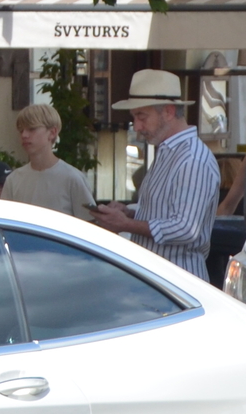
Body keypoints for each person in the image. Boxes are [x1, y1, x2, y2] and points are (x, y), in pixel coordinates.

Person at [92, 70, 219, 279]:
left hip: (179, 281)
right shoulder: (168, 152)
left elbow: (186, 228)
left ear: (168, 112)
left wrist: (126, 224)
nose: (137, 126)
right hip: (160, 279)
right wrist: (129, 212)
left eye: (142, 117)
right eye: (134, 117)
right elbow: (166, 212)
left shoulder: (192, 158)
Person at [0, 104, 98, 221]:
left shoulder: (72, 178)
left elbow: (89, 225)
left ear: (52, 132)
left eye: (32, 129)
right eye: (21, 130)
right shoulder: (13, 179)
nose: (24, 135)